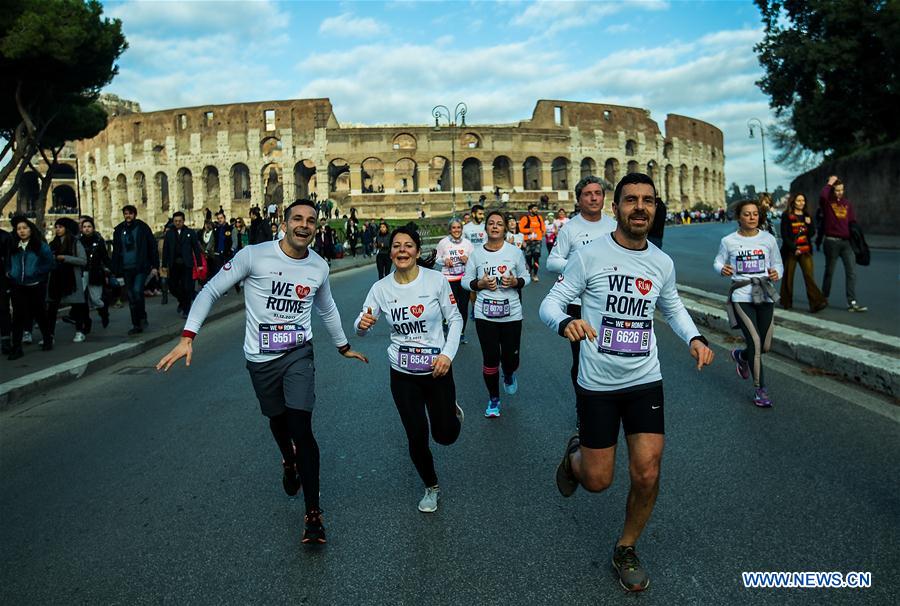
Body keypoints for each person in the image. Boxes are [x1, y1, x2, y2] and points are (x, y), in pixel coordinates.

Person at [157, 199, 368, 546]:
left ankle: (313, 514)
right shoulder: (253, 255)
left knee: (303, 428)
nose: (304, 225)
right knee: (277, 419)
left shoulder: (318, 266)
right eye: (297, 218)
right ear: (284, 224)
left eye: (310, 220)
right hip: (260, 358)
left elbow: (327, 307)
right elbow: (211, 290)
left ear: (316, 228)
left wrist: (342, 346)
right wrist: (188, 336)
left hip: (298, 353)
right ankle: (288, 460)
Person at [540, 172, 714, 593]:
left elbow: (672, 306)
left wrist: (694, 337)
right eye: (631, 199)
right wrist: (565, 323)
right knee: (597, 481)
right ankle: (575, 457)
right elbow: (550, 303)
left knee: (648, 472)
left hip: (644, 379)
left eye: (647, 200)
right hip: (597, 383)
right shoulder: (589, 255)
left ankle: (626, 548)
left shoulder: (661, 262)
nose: (640, 207)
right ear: (616, 208)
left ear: (655, 209)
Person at [355, 227, 464, 512]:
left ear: (416, 251)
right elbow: (362, 324)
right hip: (402, 374)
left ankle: (450, 412)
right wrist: (361, 325)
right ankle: (431, 486)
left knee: (445, 435)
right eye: (396, 245)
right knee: (416, 435)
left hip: (437, 370)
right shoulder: (381, 288)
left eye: (408, 245)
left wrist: (447, 355)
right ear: (390, 252)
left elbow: (455, 319)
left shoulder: (436, 280)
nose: (401, 250)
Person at [546, 175, 617, 389]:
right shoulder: (570, 228)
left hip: (610, 301)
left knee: (611, 355)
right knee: (581, 358)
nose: (593, 198)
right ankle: (583, 403)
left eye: (597, 193)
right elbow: (552, 261)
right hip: (578, 304)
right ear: (579, 199)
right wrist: (582, 268)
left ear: (604, 197)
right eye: (587, 194)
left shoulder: (614, 226)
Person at [714, 198, 783, 407]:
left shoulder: (768, 239)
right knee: (755, 342)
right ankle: (760, 390)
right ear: (739, 217)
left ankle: (742, 356)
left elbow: (778, 263)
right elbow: (718, 261)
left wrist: (776, 273)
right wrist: (722, 269)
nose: (752, 217)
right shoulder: (728, 241)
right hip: (741, 295)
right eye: (747, 214)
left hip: (764, 293)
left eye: (755, 214)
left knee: (766, 346)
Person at [462, 210, 530, 417]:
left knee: (511, 359)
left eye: (499, 224)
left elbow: (525, 277)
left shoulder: (515, 253)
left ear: (504, 228)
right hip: (485, 314)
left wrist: (515, 281)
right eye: (491, 223)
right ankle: (494, 399)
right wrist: (480, 284)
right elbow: (465, 281)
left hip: (511, 314)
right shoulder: (476, 254)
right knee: (490, 358)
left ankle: (508, 373)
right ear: (486, 228)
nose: (494, 226)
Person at [5, 216, 53, 359]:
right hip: (18, 285)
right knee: (17, 317)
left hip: (35, 285)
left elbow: (49, 263)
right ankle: (16, 347)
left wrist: (37, 272)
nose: (22, 231)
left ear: (30, 230)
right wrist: (10, 272)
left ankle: (47, 339)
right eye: (19, 229)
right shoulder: (14, 246)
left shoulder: (40, 246)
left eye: (25, 228)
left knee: (40, 314)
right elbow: (7, 262)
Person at [817, 176, 866, 312]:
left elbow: (852, 222)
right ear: (832, 191)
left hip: (846, 243)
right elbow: (822, 195)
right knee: (829, 272)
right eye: (837, 190)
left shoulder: (847, 203)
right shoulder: (827, 203)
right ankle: (824, 297)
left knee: (851, 272)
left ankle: (852, 302)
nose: (840, 192)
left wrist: (856, 236)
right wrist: (830, 182)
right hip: (831, 242)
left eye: (842, 190)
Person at [110, 205, 159, 335]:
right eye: (126, 213)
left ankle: (142, 316)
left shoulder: (142, 228)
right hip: (126, 268)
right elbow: (116, 251)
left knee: (137, 291)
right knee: (131, 296)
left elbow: (152, 246)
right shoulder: (119, 230)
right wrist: (114, 269)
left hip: (140, 266)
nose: (128, 216)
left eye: (130, 213)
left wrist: (155, 266)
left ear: (135, 214)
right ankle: (136, 324)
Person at [780, 193, 827, 312]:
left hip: (805, 250)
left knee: (809, 276)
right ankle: (786, 301)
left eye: (803, 201)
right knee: (788, 277)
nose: (801, 203)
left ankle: (816, 302)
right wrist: (794, 248)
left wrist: (809, 224)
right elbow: (785, 235)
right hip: (791, 251)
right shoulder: (786, 215)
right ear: (793, 202)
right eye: (798, 200)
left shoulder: (807, 215)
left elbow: (811, 234)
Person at [46, 218, 88, 344]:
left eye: (60, 227)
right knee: (52, 308)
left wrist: (65, 258)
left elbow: (83, 260)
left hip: (72, 279)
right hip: (56, 279)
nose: (58, 229)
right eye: (56, 227)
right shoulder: (53, 243)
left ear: (67, 229)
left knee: (77, 306)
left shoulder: (75, 243)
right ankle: (49, 335)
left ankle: (80, 331)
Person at [435, 218, 474, 344]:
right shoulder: (443, 243)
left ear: (462, 229)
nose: (456, 230)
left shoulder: (468, 244)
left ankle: (461, 333)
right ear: (449, 230)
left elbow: (474, 260)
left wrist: (468, 259)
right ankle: (446, 323)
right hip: (449, 279)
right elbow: (436, 258)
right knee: (452, 306)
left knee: (463, 307)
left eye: (458, 227)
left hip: (464, 279)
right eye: (454, 228)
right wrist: (444, 261)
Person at [162, 211, 203, 318]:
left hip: (186, 264)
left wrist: (199, 264)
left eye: (179, 221)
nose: (177, 223)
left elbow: (196, 248)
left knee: (187, 287)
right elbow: (165, 249)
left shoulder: (190, 232)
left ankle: (186, 310)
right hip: (174, 264)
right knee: (173, 286)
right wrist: (164, 265)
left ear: (183, 221)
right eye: (175, 221)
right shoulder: (169, 234)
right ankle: (182, 301)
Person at [79, 217, 111, 330]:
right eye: (84, 227)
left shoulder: (98, 241)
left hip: (95, 272)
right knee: (81, 299)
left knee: (96, 299)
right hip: (82, 272)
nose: (87, 229)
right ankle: (86, 322)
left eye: (89, 227)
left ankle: (103, 312)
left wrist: (109, 268)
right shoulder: (78, 241)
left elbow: (104, 256)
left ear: (93, 228)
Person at [518, 203, 546, 281]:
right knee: (528, 258)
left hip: (537, 241)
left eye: (536, 209)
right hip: (528, 241)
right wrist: (529, 230)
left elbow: (543, 227)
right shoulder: (525, 218)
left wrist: (543, 232)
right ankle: (530, 270)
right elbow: (520, 229)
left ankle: (535, 274)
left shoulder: (539, 218)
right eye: (534, 209)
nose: (536, 210)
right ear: (530, 210)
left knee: (536, 257)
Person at [0, 227, 11, 354]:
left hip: (2, 279)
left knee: (3, 309)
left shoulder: (5, 237)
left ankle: (6, 339)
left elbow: (9, 259)